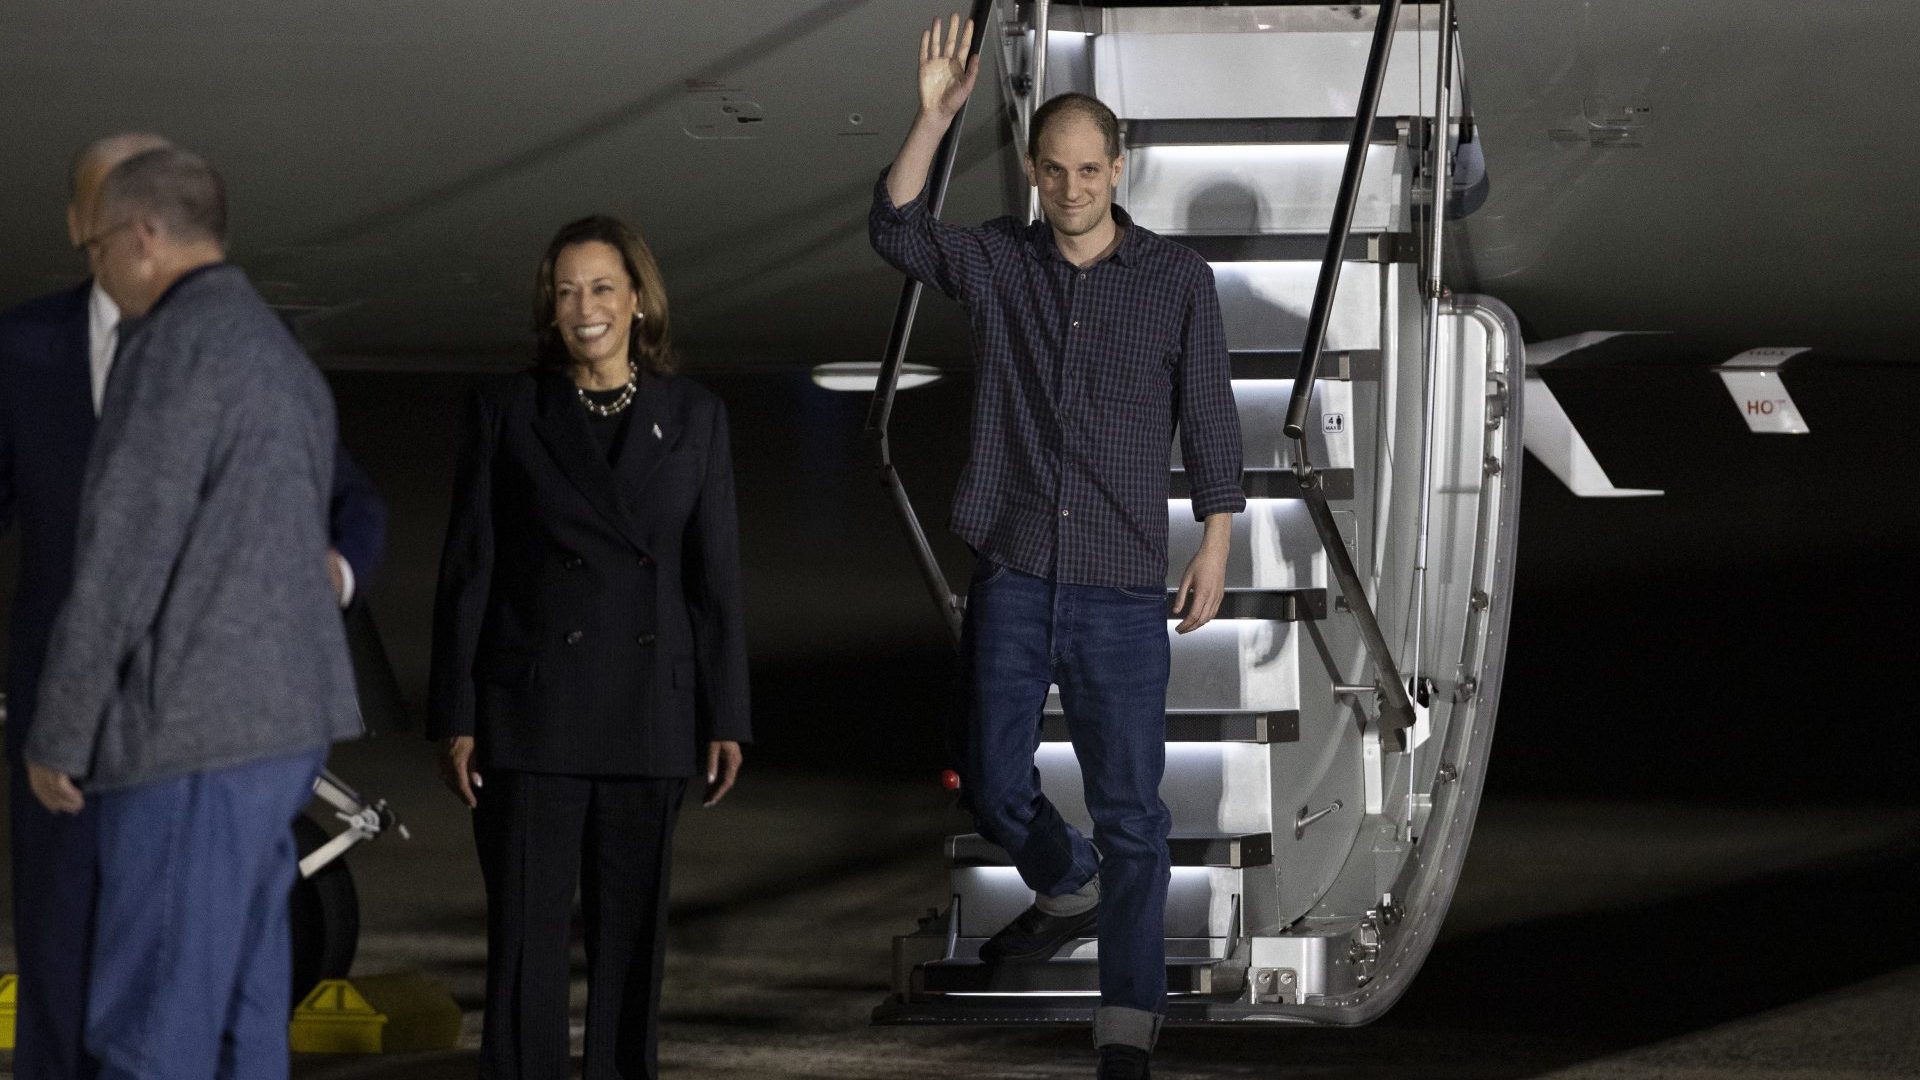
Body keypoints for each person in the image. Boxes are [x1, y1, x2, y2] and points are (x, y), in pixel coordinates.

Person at [869, 16, 1245, 1080]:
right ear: (1034, 174)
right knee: (989, 783)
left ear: (1118, 171)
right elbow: (895, 229)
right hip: (1020, 563)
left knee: (1134, 811)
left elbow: (1211, 419)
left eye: (1090, 169)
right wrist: (935, 117)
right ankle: (1061, 878)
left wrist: (1214, 541)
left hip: (1126, 581)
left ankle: (1127, 1017)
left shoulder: (1177, 281)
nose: (1073, 187)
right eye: (1055, 170)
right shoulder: (998, 263)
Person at [0, 133, 386, 1080]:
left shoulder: (170, 352)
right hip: (279, 732)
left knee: (147, 1023)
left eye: (97, 255)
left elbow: (123, 559)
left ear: (140, 238)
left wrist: (60, 730)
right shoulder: (273, 348)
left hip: (186, 742)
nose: (101, 279)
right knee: (240, 1015)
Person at [428, 214, 749, 1080]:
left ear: (637, 300)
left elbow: (713, 578)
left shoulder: (694, 416)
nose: (584, 307)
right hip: (531, 712)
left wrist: (726, 715)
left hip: (650, 709)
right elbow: (469, 572)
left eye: (601, 288)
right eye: (566, 292)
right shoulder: (507, 411)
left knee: (631, 941)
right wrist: (455, 715)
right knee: (525, 945)